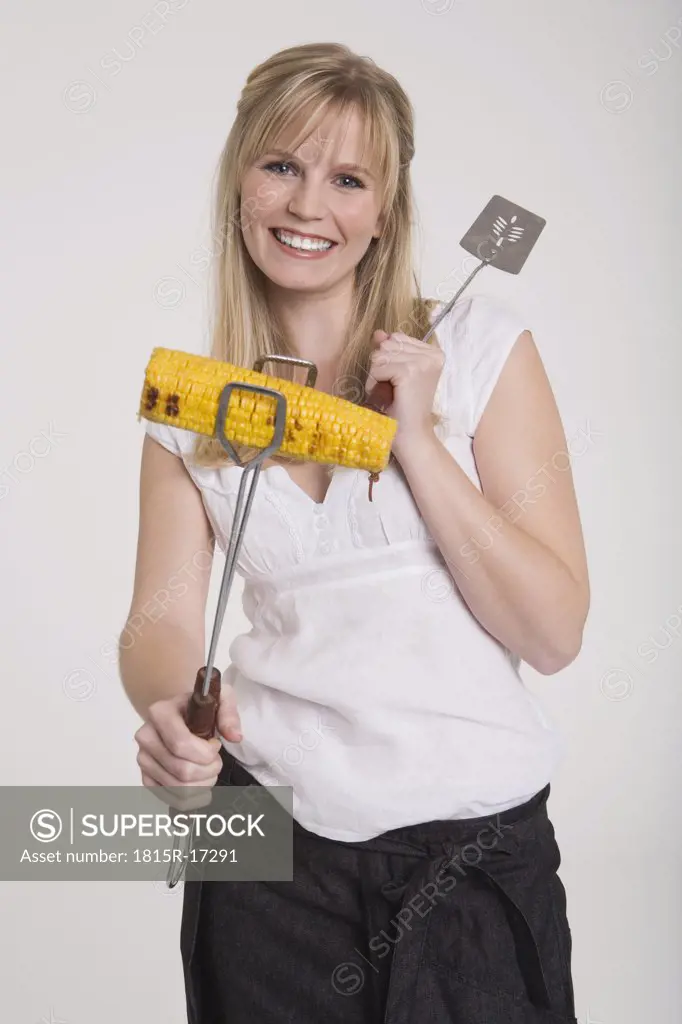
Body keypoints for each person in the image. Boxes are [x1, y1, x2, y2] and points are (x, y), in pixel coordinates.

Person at [121, 41, 589, 1024]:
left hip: (472, 852)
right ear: (239, 180)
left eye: (346, 178)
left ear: (383, 212)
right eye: (281, 165)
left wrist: (412, 438)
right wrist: (173, 710)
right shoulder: (190, 411)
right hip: (266, 847)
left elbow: (551, 633)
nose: (305, 206)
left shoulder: (476, 351)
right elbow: (156, 621)